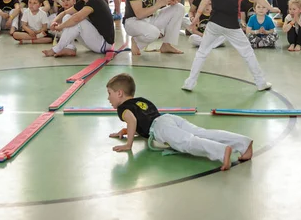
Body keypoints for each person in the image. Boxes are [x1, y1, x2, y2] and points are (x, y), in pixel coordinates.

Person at [107, 73, 253, 171]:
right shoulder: (140, 101)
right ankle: (243, 143)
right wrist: (127, 130)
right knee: (202, 132)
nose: (108, 98)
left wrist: (128, 144)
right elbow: (141, 119)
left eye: (110, 94)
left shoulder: (122, 109)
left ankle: (221, 152)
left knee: (188, 142)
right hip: (168, 118)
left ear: (119, 93)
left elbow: (132, 120)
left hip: (160, 128)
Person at [182, 0, 273, 92]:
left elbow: (205, 0)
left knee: (202, 53)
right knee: (247, 53)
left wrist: (197, 17)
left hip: (214, 23)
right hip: (232, 25)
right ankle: (260, 82)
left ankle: (189, 82)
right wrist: (271, 8)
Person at [44, 0, 115, 57]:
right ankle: (70, 48)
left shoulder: (95, 1)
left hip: (104, 44)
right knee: (67, 17)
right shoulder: (84, 1)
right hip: (96, 42)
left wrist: (60, 27)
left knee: (78, 21)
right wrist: (54, 22)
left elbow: (76, 19)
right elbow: (64, 12)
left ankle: (56, 49)